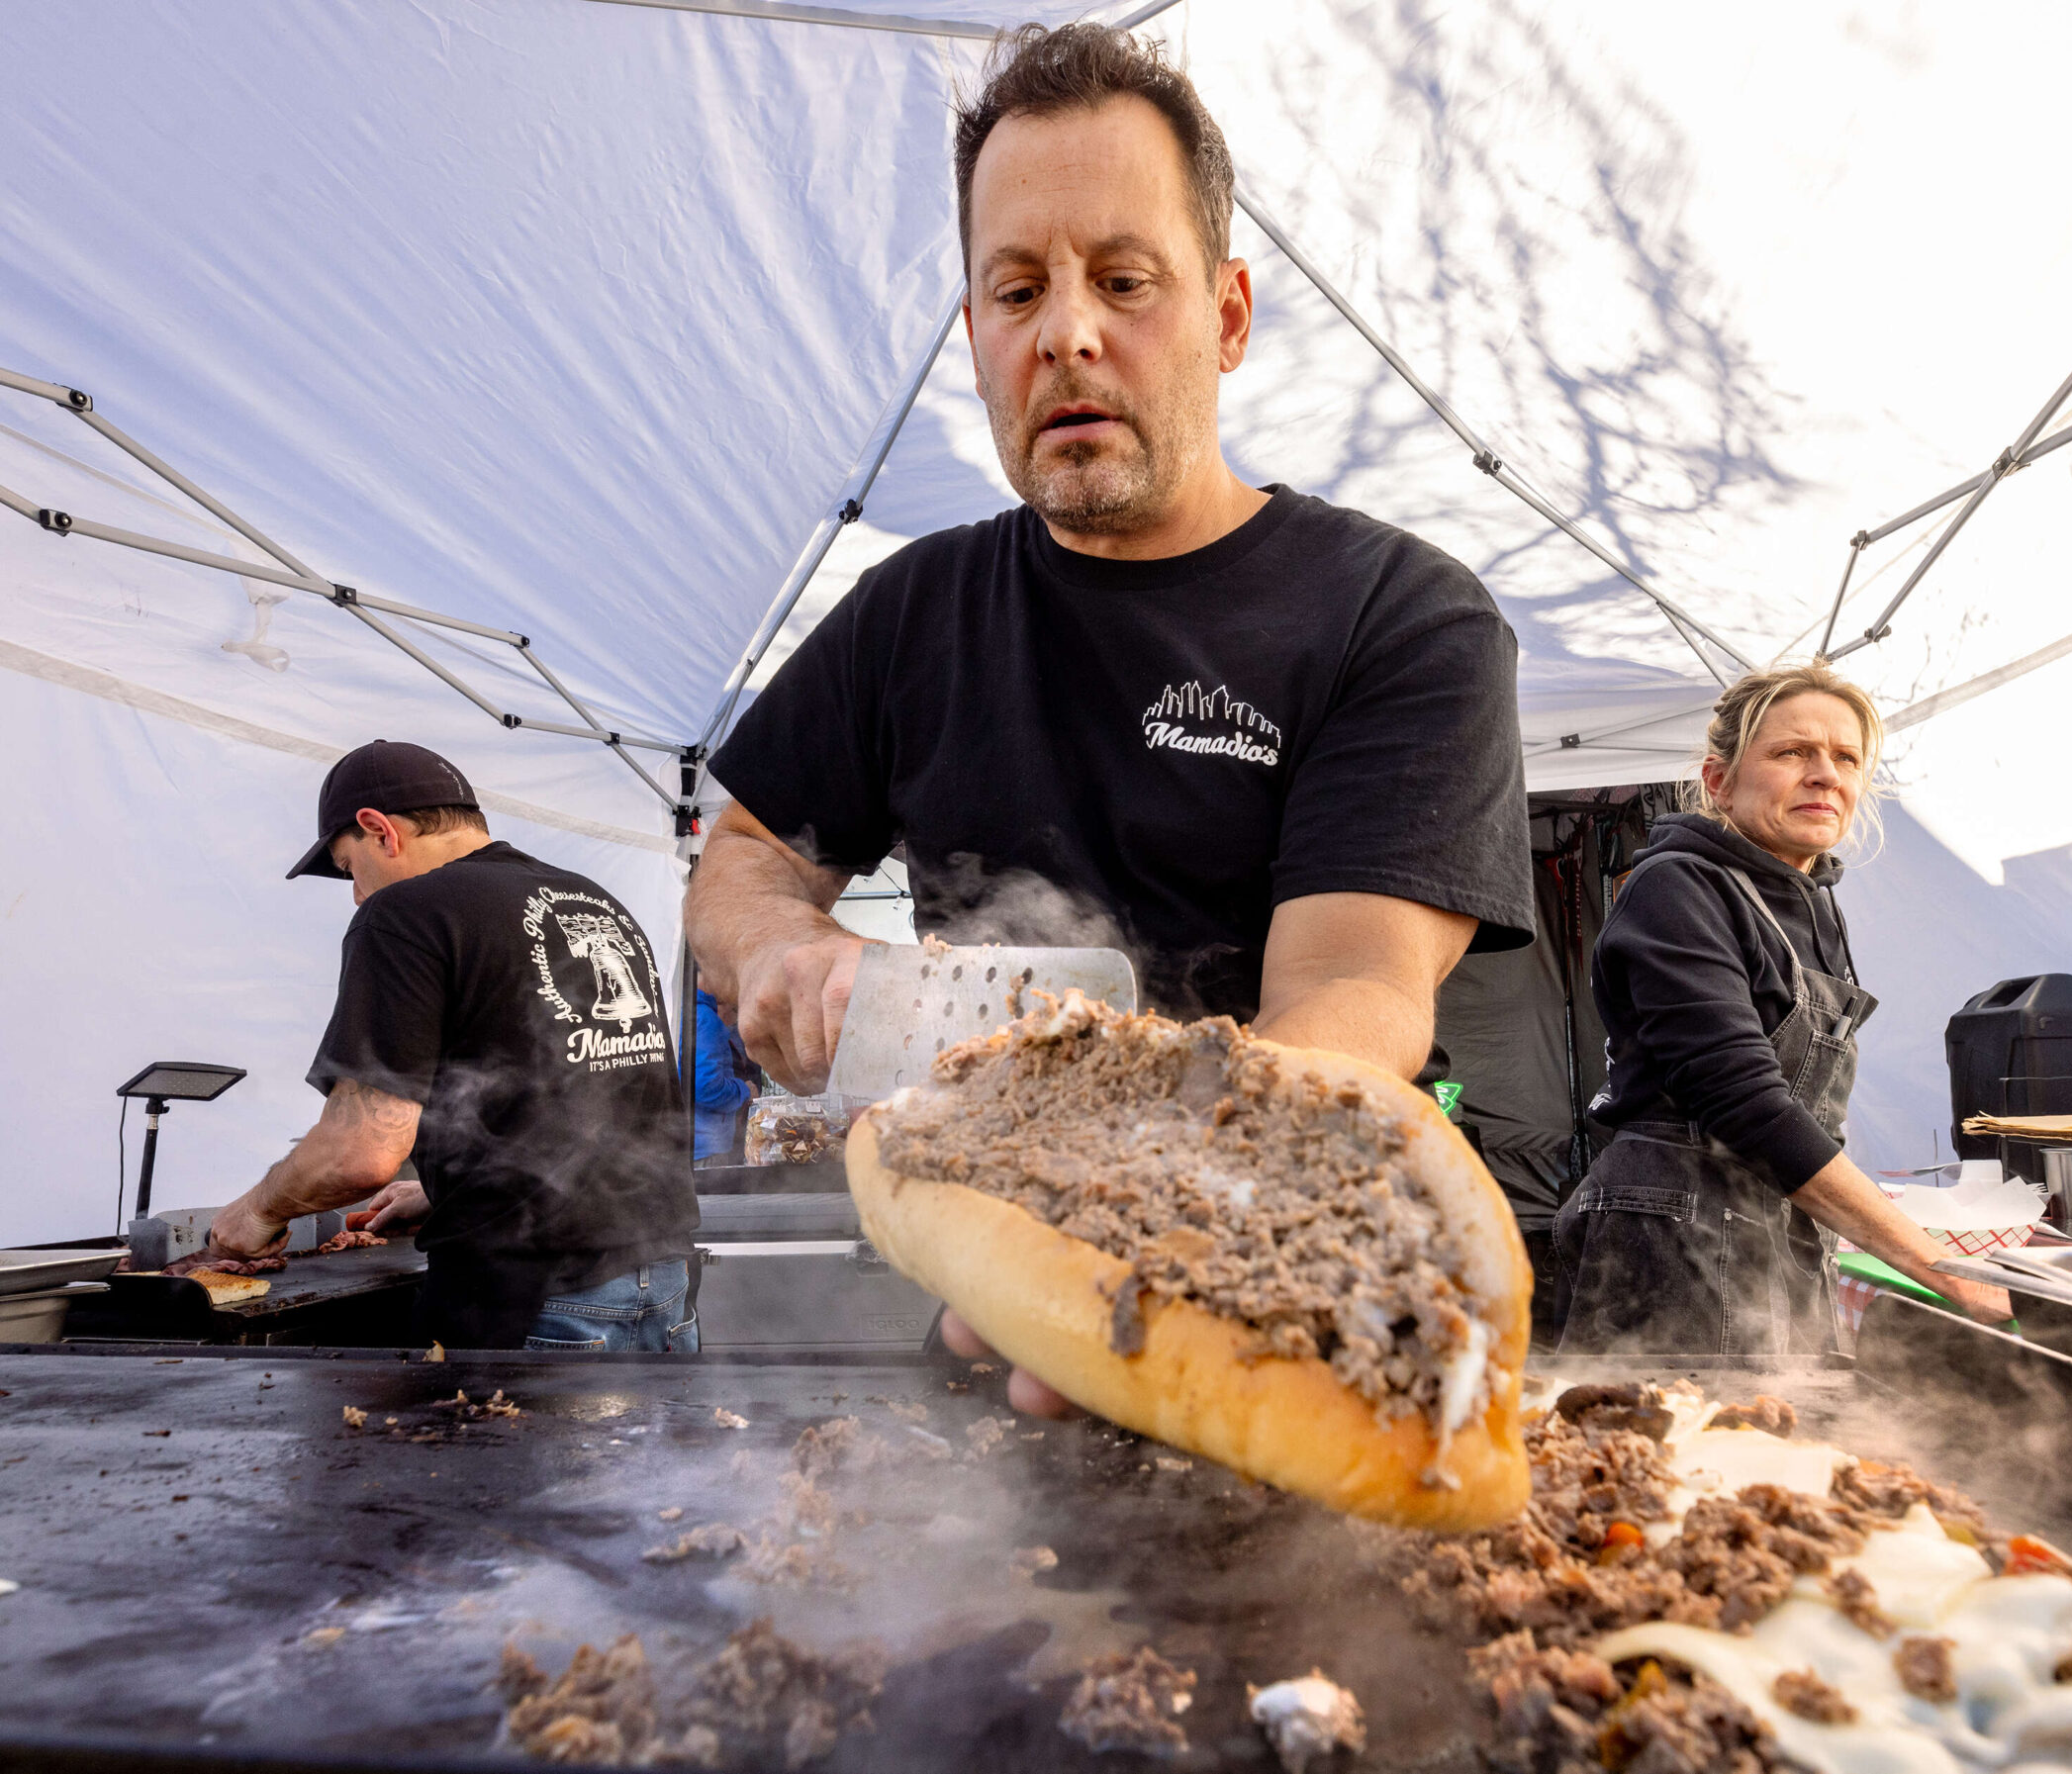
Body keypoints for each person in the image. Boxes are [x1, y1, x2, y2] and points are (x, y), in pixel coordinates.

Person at [686, 25, 1533, 1408]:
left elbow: (1353, 992)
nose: (1066, 331)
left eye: (1124, 280)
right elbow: (743, 856)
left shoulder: (1399, 613)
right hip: (994, 1319)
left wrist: (1141, 1215)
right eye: (1016, 290)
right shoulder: (914, 610)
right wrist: (781, 943)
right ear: (975, 339)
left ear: (1230, 316)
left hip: (1286, 1307)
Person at [1555, 664, 2010, 1354]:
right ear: (1719, 781)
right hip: (1669, 1243)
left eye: (1845, 757)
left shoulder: (1814, 902)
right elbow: (1746, 1104)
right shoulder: (1675, 888)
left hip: (1781, 1236)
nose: (1826, 774)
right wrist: (1937, 1267)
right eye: (1793, 751)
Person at [201, 741, 702, 1352]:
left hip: (538, 1299)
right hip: (664, 1287)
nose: (358, 893)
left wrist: (257, 1212)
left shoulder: (404, 914)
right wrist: (448, 1190)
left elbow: (363, 1150)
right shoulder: (592, 900)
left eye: (349, 867)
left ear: (378, 830)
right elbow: (586, 1099)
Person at [691, 989, 757, 1164]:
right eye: (736, 1011)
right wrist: (744, 1090)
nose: (735, 1022)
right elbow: (706, 1088)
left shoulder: (685, 1009)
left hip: (696, 1145)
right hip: (707, 1149)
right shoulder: (706, 1019)